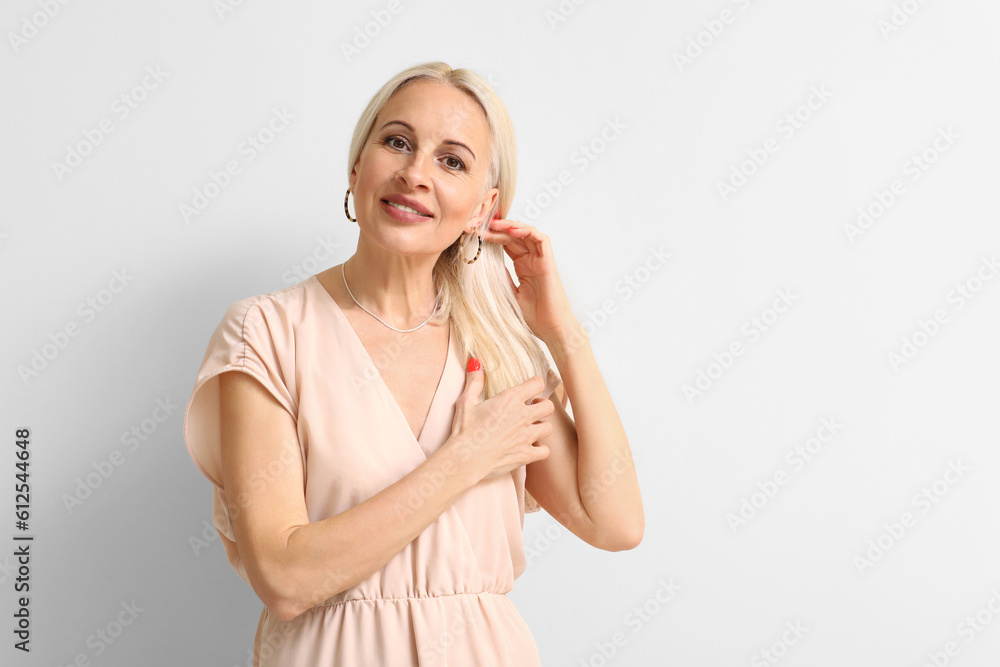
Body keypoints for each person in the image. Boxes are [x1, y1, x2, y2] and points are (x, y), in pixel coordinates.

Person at [182, 60, 643, 666]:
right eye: (397, 142)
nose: (414, 173)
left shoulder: (497, 349)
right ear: (356, 167)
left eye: (452, 161)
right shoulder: (267, 333)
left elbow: (616, 524)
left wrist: (563, 333)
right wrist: (467, 458)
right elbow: (285, 578)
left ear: (484, 208)